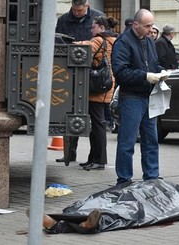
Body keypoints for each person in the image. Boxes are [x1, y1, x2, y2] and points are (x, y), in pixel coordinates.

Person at [111, 9, 166, 185]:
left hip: (148, 97)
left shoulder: (149, 42)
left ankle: (151, 177)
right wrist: (146, 76)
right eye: (147, 26)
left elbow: (153, 63)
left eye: (152, 25)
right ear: (135, 25)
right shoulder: (123, 42)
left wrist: (160, 72)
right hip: (131, 97)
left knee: (151, 140)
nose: (151, 30)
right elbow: (120, 72)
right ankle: (124, 179)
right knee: (127, 142)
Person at [54, 0, 104, 164]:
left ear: (87, 6)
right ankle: (69, 153)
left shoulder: (98, 17)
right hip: (68, 71)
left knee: (94, 116)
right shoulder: (63, 20)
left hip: (92, 72)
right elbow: (57, 43)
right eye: (74, 10)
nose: (76, 12)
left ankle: (95, 157)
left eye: (79, 10)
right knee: (68, 112)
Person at [74, 16, 118, 170]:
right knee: (97, 122)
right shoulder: (114, 40)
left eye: (93, 27)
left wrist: (71, 43)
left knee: (98, 123)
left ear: (100, 27)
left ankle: (99, 160)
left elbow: (83, 47)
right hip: (106, 83)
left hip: (98, 86)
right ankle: (93, 158)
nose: (91, 30)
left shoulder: (99, 40)